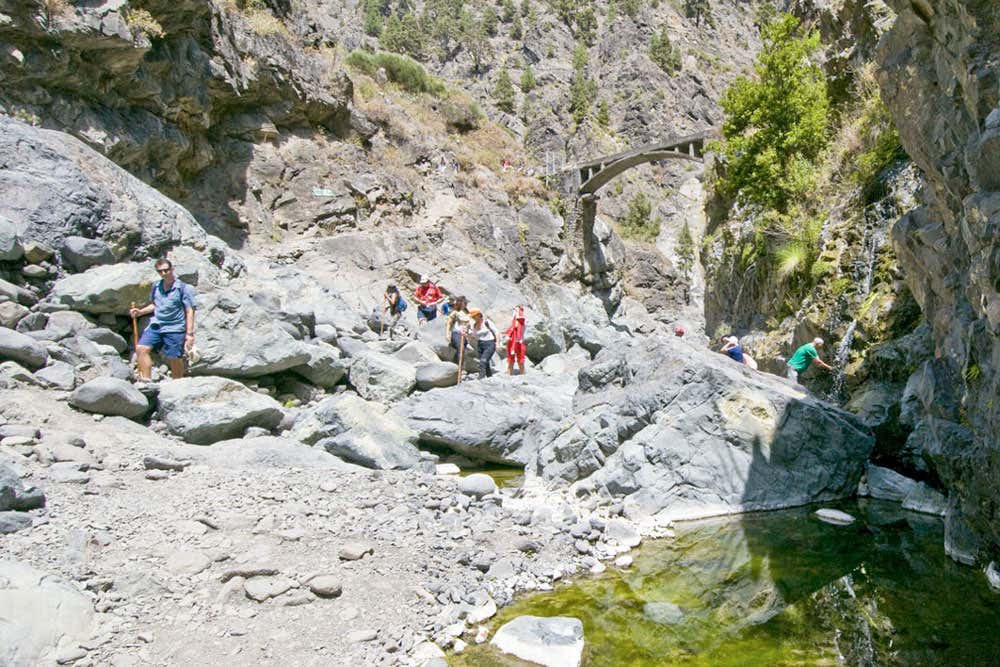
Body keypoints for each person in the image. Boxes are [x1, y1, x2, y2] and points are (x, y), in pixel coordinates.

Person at [128, 258, 196, 381]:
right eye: (160, 271)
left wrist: (189, 334)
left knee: (175, 358)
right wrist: (140, 312)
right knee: (141, 349)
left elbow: (189, 311)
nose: (164, 273)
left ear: (172, 269)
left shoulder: (183, 288)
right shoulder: (156, 286)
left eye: (166, 270)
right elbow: (155, 304)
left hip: (175, 327)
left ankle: (178, 384)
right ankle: (146, 382)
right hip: (157, 325)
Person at [468, 309, 500, 378]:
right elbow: (474, 336)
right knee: (486, 363)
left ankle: (481, 378)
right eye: (472, 317)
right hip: (480, 344)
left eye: (474, 316)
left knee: (483, 361)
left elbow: (496, 332)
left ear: (479, 315)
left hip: (490, 343)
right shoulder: (474, 325)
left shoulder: (486, 322)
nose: (473, 318)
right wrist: (466, 334)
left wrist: (497, 343)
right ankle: (489, 377)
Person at [504, 305, 527, 375]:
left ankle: (522, 374)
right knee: (510, 360)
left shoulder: (522, 320)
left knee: (521, 360)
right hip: (511, 341)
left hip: (519, 341)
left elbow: (521, 320)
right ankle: (509, 374)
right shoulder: (512, 322)